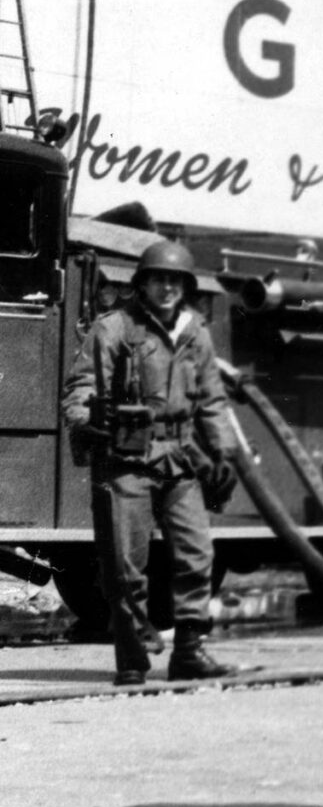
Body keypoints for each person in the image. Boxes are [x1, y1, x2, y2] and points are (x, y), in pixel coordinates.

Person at [62, 240, 235, 686]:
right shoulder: (114, 328)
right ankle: (133, 659)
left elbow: (212, 401)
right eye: (158, 279)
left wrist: (224, 453)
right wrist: (85, 421)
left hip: (180, 458)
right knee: (124, 565)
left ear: (185, 287)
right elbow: (81, 386)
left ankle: (190, 652)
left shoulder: (195, 332)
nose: (166, 288)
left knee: (197, 556)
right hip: (126, 458)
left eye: (175, 281)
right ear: (142, 284)